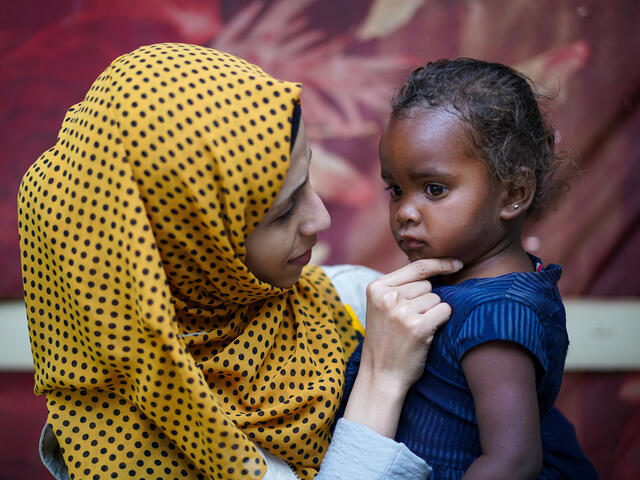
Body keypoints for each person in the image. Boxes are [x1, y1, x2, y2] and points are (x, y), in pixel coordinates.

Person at [18, 43, 461, 480]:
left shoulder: (353, 301)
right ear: (189, 249)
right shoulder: (120, 447)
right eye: (284, 211)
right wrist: (380, 381)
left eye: (309, 177)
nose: (320, 217)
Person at [343, 58, 598, 479]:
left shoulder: (497, 313)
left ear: (514, 192)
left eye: (435, 189)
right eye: (396, 189)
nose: (405, 211)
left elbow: (512, 462)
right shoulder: (456, 281)